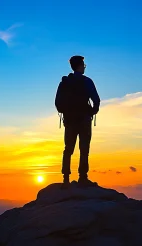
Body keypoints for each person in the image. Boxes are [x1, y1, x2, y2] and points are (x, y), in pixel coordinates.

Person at [55, 55, 100, 186]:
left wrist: (67, 113)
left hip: (70, 120)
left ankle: (66, 178)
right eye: (83, 65)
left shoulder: (64, 82)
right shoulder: (87, 81)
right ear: (80, 66)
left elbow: (57, 102)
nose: (84, 67)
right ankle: (83, 177)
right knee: (84, 148)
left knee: (68, 148)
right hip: (84, 119)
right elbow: (96, 100)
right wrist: (92, 111)